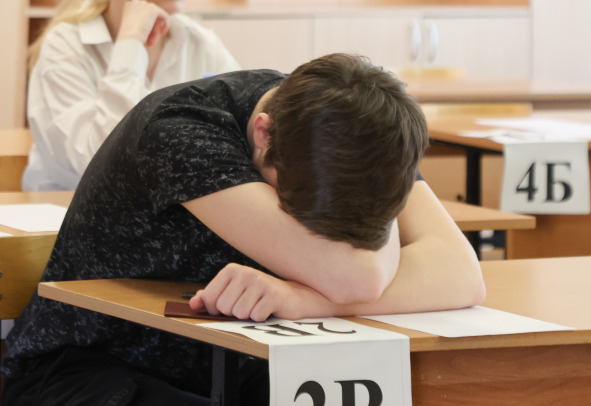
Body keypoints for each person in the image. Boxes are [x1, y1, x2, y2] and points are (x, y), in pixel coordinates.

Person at [2, 53, 485, 405]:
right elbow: (360, 277)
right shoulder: (181, 130)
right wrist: (364, 253)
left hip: (238, 360)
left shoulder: (358, 129)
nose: (340, 240)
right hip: (86, 369)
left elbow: (461, 275)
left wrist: (303, 299)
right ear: (263, 133)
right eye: (304, 215)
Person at [23, 0, 240, 191]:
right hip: (68, 210)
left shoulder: (200, 41)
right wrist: (130, 42)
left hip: (172, 211)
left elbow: (243, 133)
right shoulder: (64, 45)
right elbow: (104, 165)